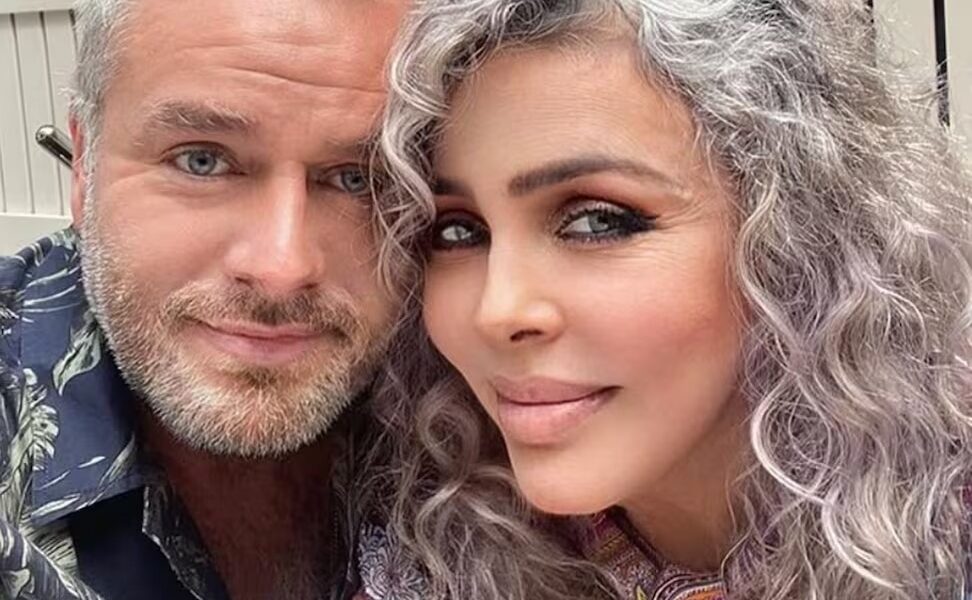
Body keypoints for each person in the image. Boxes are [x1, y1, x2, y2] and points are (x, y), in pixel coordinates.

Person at [368, 0, 972, 598]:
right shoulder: (430, 558)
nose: (497, 311)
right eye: (457, 232)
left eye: (597, 222)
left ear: (796, 235)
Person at [0, 0, 413, 598]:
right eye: (202, 161)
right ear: (84, 166)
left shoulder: (481, 393)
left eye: (360, 178)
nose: (281, 269)